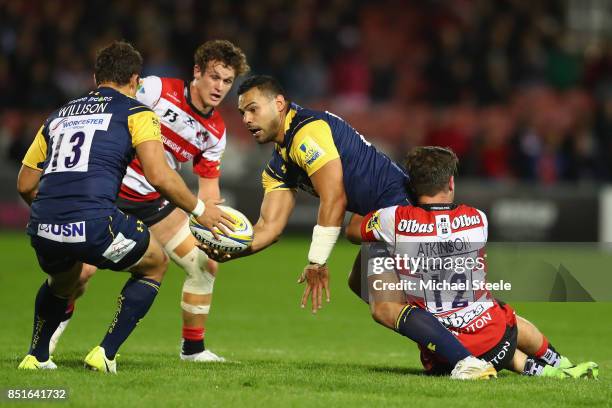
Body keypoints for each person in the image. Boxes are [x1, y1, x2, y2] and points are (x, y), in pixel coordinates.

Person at [203, 75, 496, 379]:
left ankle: (465, 359)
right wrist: (228, 249)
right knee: (361, 283)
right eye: (242, 114)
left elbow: (334, 197)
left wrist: (317, 260)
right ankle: (465, 337)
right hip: (380, 218)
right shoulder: (279, 164)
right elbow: (269, 227)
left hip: (402, 214)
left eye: (253, 109)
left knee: (385, 306)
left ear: (278, 104)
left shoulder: (307, 132)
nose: (247, 120)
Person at [16, 41, 233, 373]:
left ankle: (193, 349)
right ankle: (81, 350)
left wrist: (215, 229)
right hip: (112, 195)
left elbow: (25, 184)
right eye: (215, 77)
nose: (219, 87)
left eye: (227, 81)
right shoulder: (154, 92)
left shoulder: (216, 132)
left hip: (154, 203)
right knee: (88, 272)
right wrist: (200, 210)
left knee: (204, 264)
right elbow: (159, 172)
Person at [346, 146, 598, 379]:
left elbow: (353, 231)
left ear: (412, 186)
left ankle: (539, 369)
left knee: (377, 246)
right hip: (497, 336)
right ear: (451, 182)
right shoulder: (477, 218)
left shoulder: (395, 220)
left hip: (445, 353)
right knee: (498, 311)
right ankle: (557, 363)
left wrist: (377, 197)